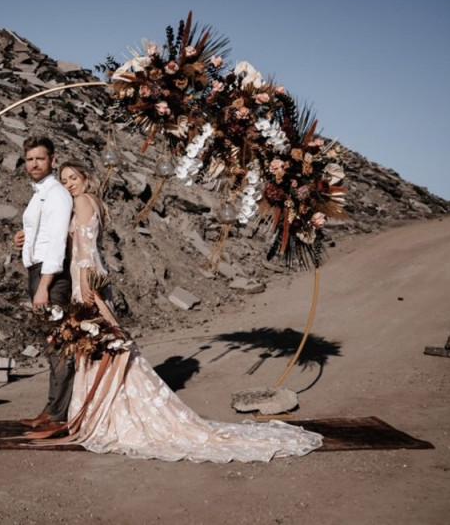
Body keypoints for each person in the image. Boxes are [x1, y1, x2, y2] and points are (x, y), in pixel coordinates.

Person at [24, 160, 324, 463]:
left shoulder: (84, 201)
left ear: (85, 178)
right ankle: (102, 408)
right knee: (100, 348)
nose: (69, 184)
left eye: (73, 177)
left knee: (101, 347)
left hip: (87, 279)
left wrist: (87, 286)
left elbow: (86, 248)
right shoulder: (91, 202)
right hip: (88, 276)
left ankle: (104, 412)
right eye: (64, 180)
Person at [13, 136, 74, 432]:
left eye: (39, 158)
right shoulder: (39, 194)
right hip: (37, 271)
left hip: (51, 277)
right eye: (29, 159)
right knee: (50, 346)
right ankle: (52, 409)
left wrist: (44, 286)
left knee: (57, 345)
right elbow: (42, 233)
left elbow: (58, 243)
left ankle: (60, 415)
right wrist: (23, 240)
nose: (34, 164)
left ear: (52, 159)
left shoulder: (58, 194)